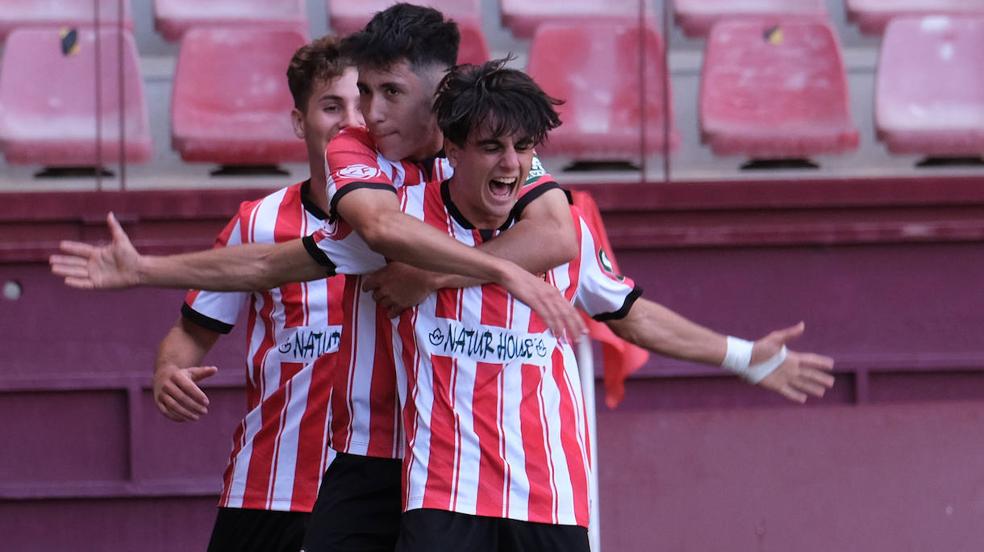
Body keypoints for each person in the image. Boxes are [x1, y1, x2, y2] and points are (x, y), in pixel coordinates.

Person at [51, 60, 835, 551]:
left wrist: (745, 356)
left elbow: (630, 311)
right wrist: (144, 270)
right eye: (492, 147)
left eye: (523, 150)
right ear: (451, 149)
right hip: (439, 497)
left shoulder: (561, 228)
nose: (512, 164)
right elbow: (268, 262)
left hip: (550, 499)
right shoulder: (400, 231)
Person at [151, 36, 361, 552]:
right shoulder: (258, 222)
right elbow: (189, 333)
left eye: (363, 105)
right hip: (268, 486)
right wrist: (168, 371)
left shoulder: (415, 217)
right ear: (298, 122)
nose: (350, 122)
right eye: (332, 105)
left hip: (373, 492)